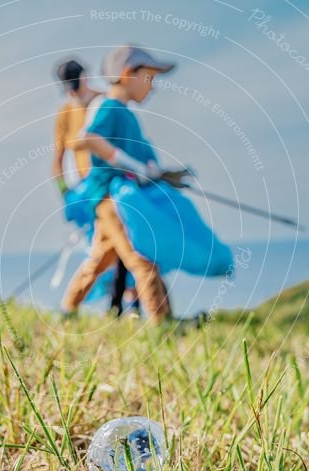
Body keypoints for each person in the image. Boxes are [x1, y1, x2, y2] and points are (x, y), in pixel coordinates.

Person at [62, 45, 234, 323]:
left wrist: (165, 175)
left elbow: (145, 164)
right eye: (149, 79)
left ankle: (67, 310)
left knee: (100, 260)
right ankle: (161, 321)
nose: (152, 88)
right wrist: (134, 166)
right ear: (128, 74)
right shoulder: (109, 107)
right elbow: (88, 138)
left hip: (118, 198)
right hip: (111, 198)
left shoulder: (126, 115)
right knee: (142, 257)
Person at [52, 58, 140, 316]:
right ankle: (108, 307)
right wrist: (66, 194)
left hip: (116, 184)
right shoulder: (65, 114)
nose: (71, 91)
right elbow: (57, 161)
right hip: (89, 191)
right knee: (106, 251)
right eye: (66, 87)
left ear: (85, 78)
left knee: (127, 245)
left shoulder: (105, 102)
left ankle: (125, 305)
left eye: (73, 84)